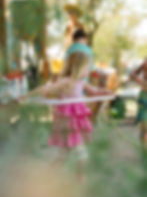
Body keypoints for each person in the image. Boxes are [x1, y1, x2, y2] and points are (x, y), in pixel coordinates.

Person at [20, 52, 111, 180]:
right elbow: (45, 89)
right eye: (87, 67)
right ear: (78, 68)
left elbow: (94, 92)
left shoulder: (81, 82)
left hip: (75, 123)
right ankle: (80, 178)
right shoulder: (66, 81)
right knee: (82, 155)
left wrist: (106, 92)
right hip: (67, 123)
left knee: (63, 156)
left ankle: (46, 176)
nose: (89, 70)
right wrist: (27, 96)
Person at [131, 58, 147, 145]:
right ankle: (143, 139)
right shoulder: (144, 63)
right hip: (144, 95)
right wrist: (139, 80)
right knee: (144, 120)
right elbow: (132, 75)